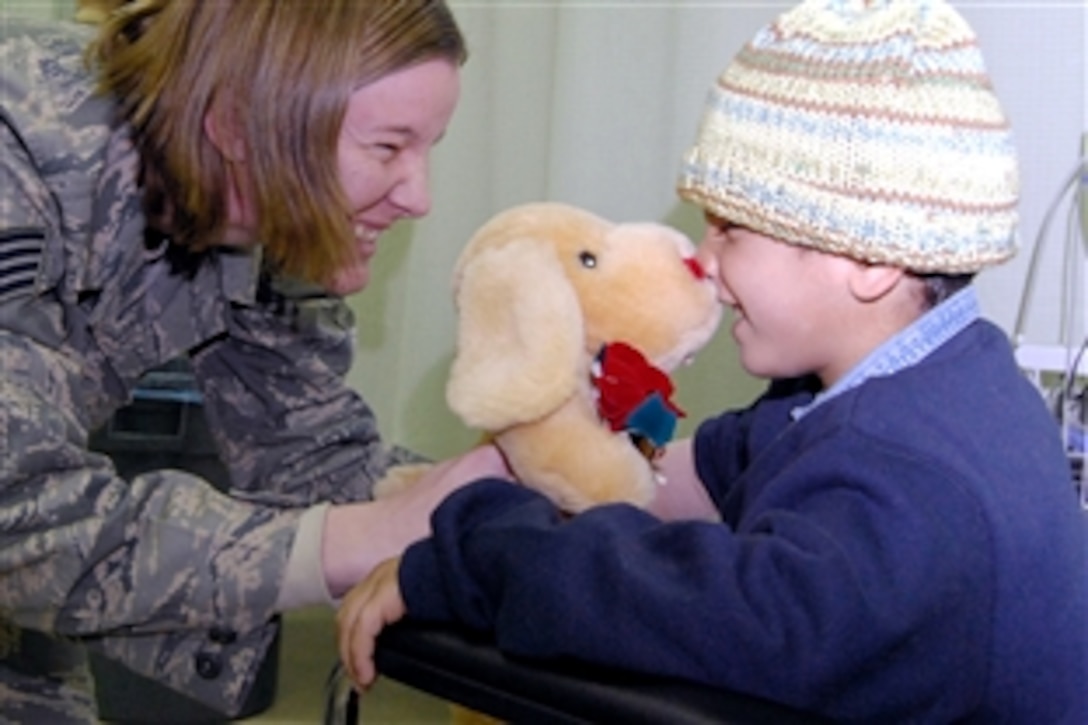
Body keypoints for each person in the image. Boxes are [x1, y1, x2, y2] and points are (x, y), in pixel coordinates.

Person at [336, 0, 1088, 721]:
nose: (703, 259)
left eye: (730, 230)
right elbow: (692, 472)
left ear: (868, 258)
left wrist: (475, 551)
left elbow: (688, 604)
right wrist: (555, 454)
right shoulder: (929, 384)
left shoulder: (914, 492)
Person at [0, 1, 510, 722]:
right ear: (239, 124)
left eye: (427, 149)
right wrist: (361, 538)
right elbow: (16, 511)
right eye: (389, 148)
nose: (418, 197)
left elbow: (311, 454)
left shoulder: (263, 206)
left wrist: (507, 512)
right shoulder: (16, 153)